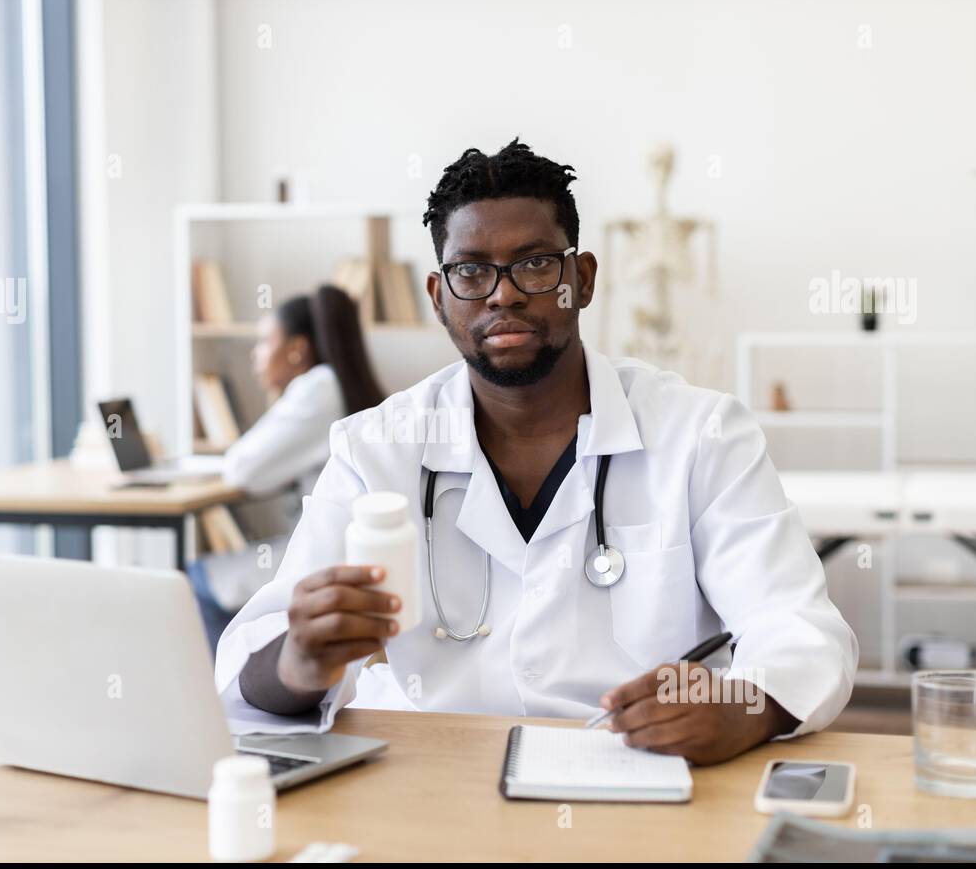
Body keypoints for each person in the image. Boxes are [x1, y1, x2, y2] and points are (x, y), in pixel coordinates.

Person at [214, 139, 857, 765]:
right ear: (440, 298)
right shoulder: (375, 449)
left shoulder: (702, 434)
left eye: (534, 264)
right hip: (428, 779)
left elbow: (799, 627)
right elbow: (249, 665)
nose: (503, 294)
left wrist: (742, 706)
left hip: (634, 769)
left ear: (582, 278)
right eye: (470, 270)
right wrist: (299, 660)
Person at [188, 285, 383, 650]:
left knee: (198, 578)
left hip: (329, 558)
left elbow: (243, 469)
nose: (255, 355)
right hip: (349, 550)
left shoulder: (317, 388)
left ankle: (222, 700)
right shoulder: (335, 383)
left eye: (264, 342)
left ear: (296, 349)